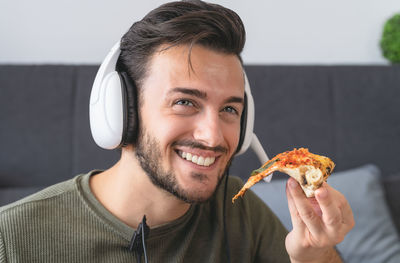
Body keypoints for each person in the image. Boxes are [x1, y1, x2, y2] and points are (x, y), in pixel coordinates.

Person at [0, 0, 354, 262]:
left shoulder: (238, 211)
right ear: (122, 111)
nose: (213, 137)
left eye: (230, 109)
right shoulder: (12, 240)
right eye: (185, 102)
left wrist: (315, 256)